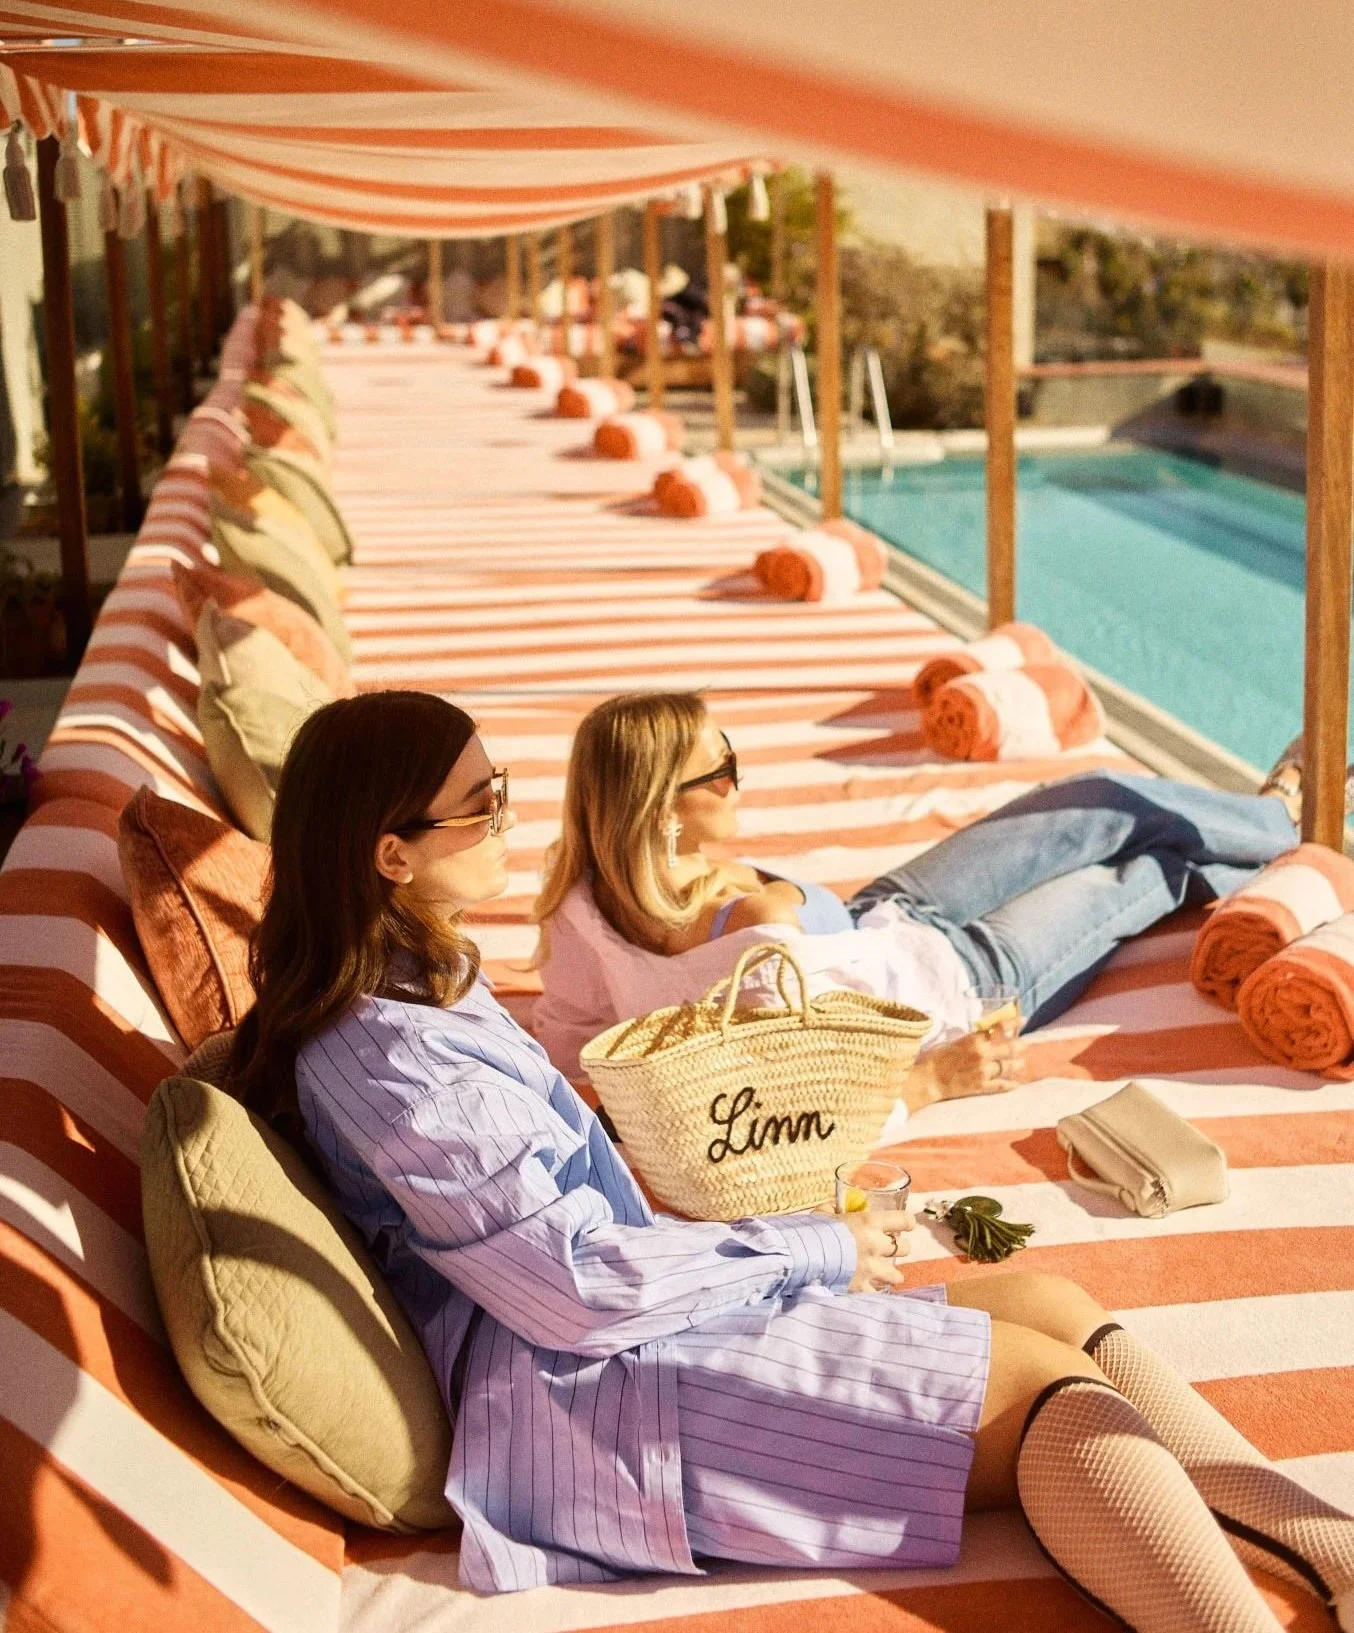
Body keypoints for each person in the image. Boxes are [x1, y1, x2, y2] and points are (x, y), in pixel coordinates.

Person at [226, 692, 1354, 1628]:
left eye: (505, 789)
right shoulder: (401, 1067)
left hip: (628, 1345)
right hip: (605, 1407)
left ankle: (1332, 1553)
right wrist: (813, 1245)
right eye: (483, 804)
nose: (510, 819)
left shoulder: (417, 985)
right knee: (1047, 1397)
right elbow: (573, 1289)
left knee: (1053, 1303)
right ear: (391, 854)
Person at [533, 692, 1300, 1101]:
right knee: (1144, 873)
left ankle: (1278, 818)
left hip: (883, 910)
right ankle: (1292, 830)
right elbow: (806, 1110)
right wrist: (932, 1080)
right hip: (966, 980)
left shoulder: (582, 900)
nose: (740, 779)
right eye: (722, 771)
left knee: (1097, 798)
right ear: (661, 807)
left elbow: (569, 1037)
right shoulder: (758, 958)